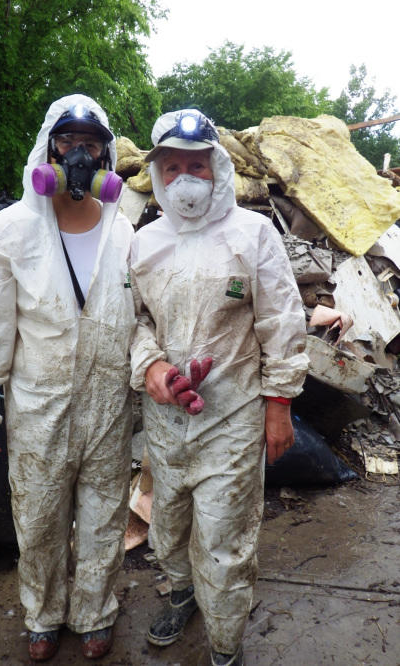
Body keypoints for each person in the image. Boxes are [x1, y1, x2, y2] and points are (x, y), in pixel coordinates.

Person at [129, 109, 309, 666]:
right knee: (170, 523)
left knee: (225, 539)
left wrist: (277, 406)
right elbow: (134, 321)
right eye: (174, 166)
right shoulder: (145, 242)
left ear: (218, 169)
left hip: (232, 417)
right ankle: (183, 593)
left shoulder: (251, 234)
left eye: (197, 166)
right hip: (165, 419)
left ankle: (225, 647)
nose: (186, 178)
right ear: (158, 175)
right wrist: (153, 368)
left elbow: (282, 320)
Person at [0, 94, 136, 662]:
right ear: (48, 147)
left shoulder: (125, 229)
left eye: (91, 142)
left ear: (106, 154)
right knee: (36, 519)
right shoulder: (12, 230)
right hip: (38, 405)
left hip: (108, 402)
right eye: (68, 141)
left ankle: (95, 614)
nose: (79, 154)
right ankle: (42, 615)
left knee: (104, 518)